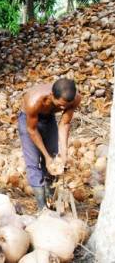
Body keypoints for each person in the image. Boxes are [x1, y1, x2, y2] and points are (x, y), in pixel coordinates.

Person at [18, 78, 81, 210]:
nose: (63, 108)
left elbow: (64, 124)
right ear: (52, 95)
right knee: (33, 162)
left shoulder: (75, 99)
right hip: (29, 121)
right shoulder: (34, 100)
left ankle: (51, 198)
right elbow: (32, 130)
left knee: (53, 160)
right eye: (61, 105)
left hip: (48, 118)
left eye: (65, 105)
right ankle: (42, 209)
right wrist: (45, 156)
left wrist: (63, 154)